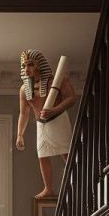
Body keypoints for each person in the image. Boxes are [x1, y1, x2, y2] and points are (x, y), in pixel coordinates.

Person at [16, 49, 77, 199]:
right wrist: (19, 134)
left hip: (58, 119)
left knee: (66, 153)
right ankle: (48, 187)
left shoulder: (56, 80)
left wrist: (55, 109)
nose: (27, 69)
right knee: (42, 155)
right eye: (24, 65)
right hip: (41, 123)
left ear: (39, 64)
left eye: (30, 64)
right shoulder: (24, 89)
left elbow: (71, 98)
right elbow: (24, 113)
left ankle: (78, 178)